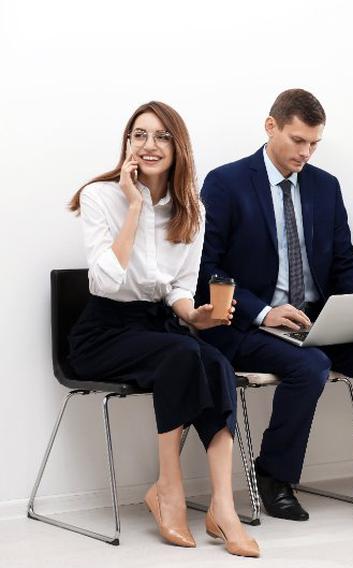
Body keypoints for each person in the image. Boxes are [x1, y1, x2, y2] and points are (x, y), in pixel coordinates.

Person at [196, 89, 353, 529]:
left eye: (314, 144)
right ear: (271, 127)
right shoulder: (225, 183)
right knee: (311, 365)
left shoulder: (325, 186)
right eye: (298, 140)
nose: (305, 152)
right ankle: (274, 475)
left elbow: (344, 261)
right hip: (245, 325)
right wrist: (265, 312)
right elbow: (206, 270)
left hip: (312, 321)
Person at [67, 102, 259, 557]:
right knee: (182, 355)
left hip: (158, 325)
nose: (149, 145)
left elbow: (177, 289)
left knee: (215, 361)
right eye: (139, 135)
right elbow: (104, 281)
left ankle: (222, 506)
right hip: (103, 331)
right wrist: (134, 206)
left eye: (161, 137)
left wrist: (197, 316)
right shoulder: (101, 197)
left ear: (178, 146)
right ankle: (167, 490)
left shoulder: (190, 208)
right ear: (127, 144)